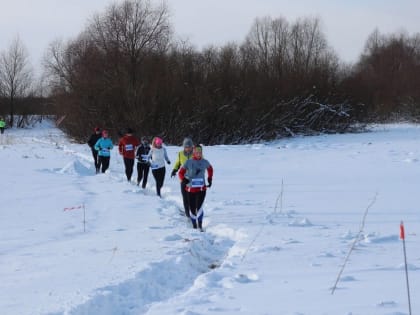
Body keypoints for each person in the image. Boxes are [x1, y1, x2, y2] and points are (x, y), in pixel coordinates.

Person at [178, 145, 213, 230]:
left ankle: (200, 225)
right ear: (194, 152)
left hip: (201, 189)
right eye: (197, 152)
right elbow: (180, 173)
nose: (198, 154)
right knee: (192, 208)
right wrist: (184, 180)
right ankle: (194, 226)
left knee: (199, 207)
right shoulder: (188, 162)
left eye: (200, 152)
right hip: (190, 190)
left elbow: (210, 169)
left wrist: (209, 178)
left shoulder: (204, 162)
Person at [171, 137, 194, 217]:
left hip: (193, 180)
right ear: (184, 147)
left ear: (192, 147)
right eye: (186, 147)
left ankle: (194, 213)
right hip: (183, 179)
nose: (188, 149)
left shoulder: (196, 153)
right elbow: (178, 163)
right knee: (185, 197)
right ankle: (187, 214)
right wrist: (174, 170)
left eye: (189, 147)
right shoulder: (180, 154)